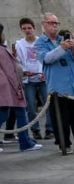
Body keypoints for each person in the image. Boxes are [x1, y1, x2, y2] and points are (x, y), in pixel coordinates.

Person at [35, 13, 74, 151]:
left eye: (56, 23)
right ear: (43, 25)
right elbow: (46, 59)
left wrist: (73, 47)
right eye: (51, 23)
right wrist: (61, 48)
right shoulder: (40, 43)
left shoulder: (64, 38)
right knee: (61, 119)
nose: (54, 26)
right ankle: (65, 144)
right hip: (58, 87)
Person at [0, 23, 42, 152]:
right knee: (12, 113)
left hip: (8, 87)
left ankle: (25, 140)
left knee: (11, 113)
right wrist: (18, 87)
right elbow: (10, 71)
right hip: (8, 87)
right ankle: (25, 142)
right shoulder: (1, 50)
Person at [14, 18, 48, 139]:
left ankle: (50, 129)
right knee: (31, 107)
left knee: (47, 104)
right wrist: (23, 71)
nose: (27, 30)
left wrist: (45, 71)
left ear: (34, 28)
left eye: (29, 28)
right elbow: (17, 61)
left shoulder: (42, 41)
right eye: (24, 28)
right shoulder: (19, 44)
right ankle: (36, 130)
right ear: (21, 30)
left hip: (42, 77)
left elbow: (47, 57)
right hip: (29, 80)